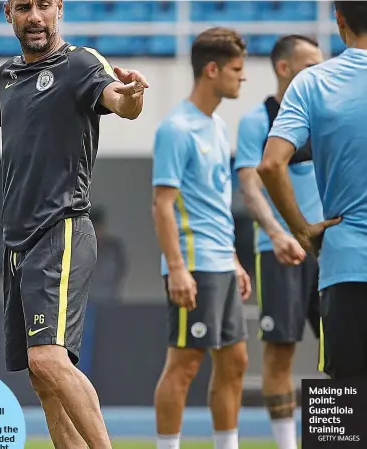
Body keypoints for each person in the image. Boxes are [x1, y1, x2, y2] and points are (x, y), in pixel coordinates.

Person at [0, 0, 148, 448]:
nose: (34, 16)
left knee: (49, 360)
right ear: (8, 15)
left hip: (62, 229)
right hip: (17, 243)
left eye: (42, 6)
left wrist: (131, 96)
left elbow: (119, 101)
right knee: (42, 378)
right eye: (23, 8)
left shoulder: (79, 62)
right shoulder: (8, 76)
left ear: (58, 9)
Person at [152, 27, 252, 449]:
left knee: (235, 362)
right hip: (193, 266)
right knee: (185, 366)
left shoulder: (216, 126)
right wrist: (177, 268)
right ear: (211, 70)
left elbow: (214, 204)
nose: (242, 78)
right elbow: (161, 204)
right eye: (235, 69)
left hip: (219, 263)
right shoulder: (176, 128)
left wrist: (232, 258)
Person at [257, 1, 367, 381]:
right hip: (342, 264)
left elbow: (271, 165)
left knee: (344, 410)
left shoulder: (313, 81)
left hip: (344, 263)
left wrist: (302, 230)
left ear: (339, 20)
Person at [234, 35, 323, 449]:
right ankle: (288, 445)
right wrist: (277, 233)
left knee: (343, 351)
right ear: (284, 68)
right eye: (309, 65)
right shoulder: (258, 120)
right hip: (280, 253)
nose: (318, 73)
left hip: (332, 253)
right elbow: (251, 185)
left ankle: (335, 437)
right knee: (280, 351)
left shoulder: (328, 117)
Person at [89, 205, 128, 302]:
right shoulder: (81, 249)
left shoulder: (114, 247)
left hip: (110, 299)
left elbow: (122, 271)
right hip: (87, 302)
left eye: (98, 229)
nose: (96, 233)